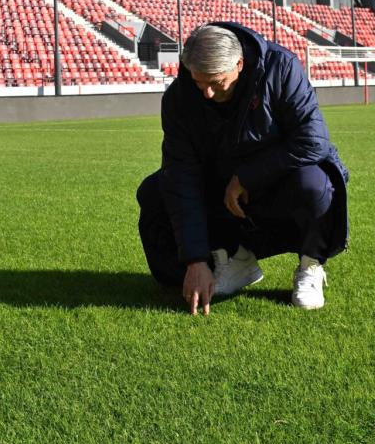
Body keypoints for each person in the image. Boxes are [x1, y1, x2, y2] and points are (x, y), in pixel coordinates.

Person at [137, 22, 349, 315]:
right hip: (222, 187)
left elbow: (313, 141)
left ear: (239, 64)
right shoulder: (179, 98)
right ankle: (234, 258)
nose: (207, 94)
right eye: (200, 83)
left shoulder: (282, 67)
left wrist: (248, 177)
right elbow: (180, 173)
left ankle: (310, 264)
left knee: (313, 182)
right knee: (155, 191)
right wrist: (195, 260)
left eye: (216, 82)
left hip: (278, 180)